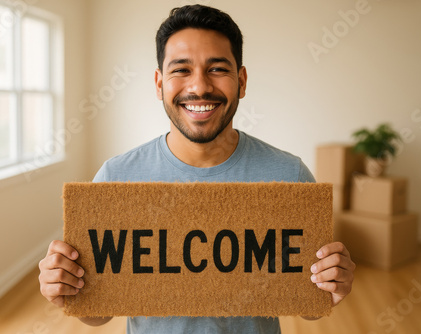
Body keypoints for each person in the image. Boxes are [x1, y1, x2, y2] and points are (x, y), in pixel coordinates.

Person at [38, 4, 355, 333]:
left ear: (241, 82)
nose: (199, 86)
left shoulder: (290, 177)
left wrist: (332, 287)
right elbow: (98, 315)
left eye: (217, 69)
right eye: (181, 70)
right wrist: (66, 290)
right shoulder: (115, 179)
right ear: (159, 83)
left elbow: (310, 307)